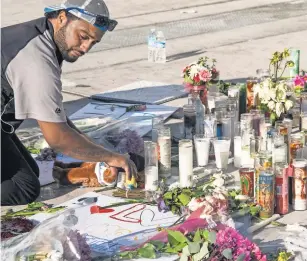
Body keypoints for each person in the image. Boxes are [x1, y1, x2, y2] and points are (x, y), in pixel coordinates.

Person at [1, 0, 140, 206]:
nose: (85, 48)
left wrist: (96, 153)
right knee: (23, 188)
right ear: (62, 17)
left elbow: (56, 115)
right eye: (83, 37)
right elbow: (58, 138)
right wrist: (110, 157)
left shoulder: (41, 35)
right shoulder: (37, 61)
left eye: (93, 43)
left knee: (32, 171)